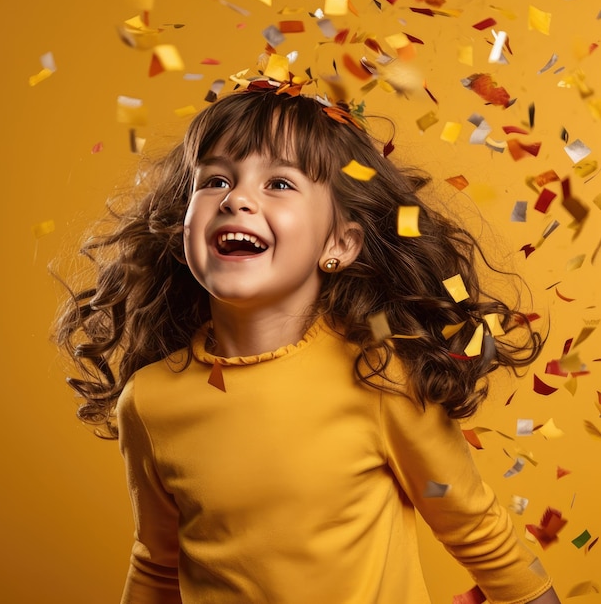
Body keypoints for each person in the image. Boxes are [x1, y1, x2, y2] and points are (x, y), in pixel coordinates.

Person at [54, 81, 561, 603]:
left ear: (339, 243)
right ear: (181, 234)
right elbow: (158, 567)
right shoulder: (149, 401)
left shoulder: (380, 375)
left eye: (279, 184)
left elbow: (481, 536)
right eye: (215, 181)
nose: (237, 199)